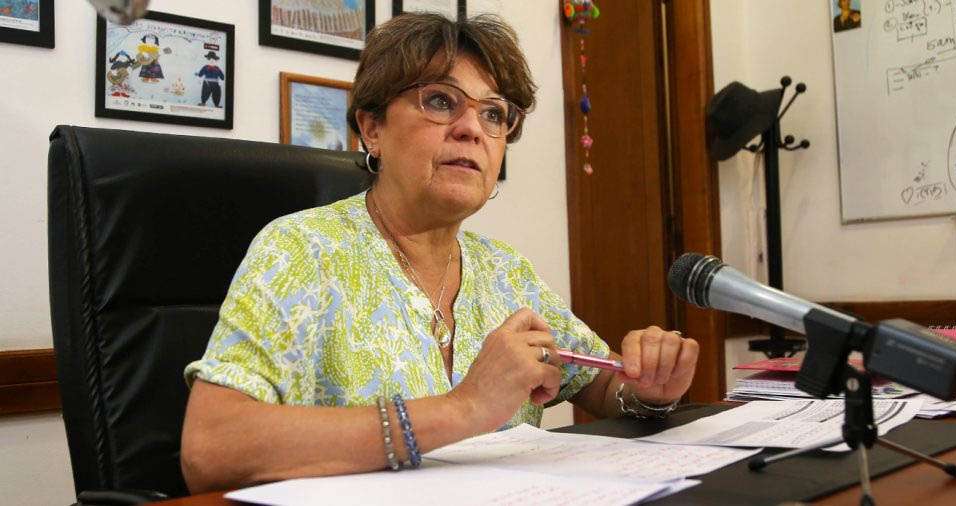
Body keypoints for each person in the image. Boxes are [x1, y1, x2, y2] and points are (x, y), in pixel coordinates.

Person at [180, 12, 699, 493]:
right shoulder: (301, 250)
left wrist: (648, 385)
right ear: (372, 128)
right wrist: (463, 408)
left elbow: (598, 383)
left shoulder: (505, 271)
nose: (472, 128)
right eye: (441, 101)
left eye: (494, 113)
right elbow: (212, 448)